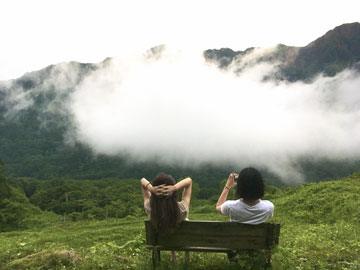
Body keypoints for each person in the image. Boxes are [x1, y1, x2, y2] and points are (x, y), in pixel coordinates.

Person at [140, 173, 192, 262]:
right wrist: (174, 188)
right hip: (180, 241)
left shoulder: (150, 209)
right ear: (174, 194)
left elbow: (142, 181)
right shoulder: (182, 210)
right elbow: (189, 181)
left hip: (164, 241)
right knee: (185, 220)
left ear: (154, 194)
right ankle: (187, 255)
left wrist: (151, 189)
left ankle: (173, 254)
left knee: (167, 224)